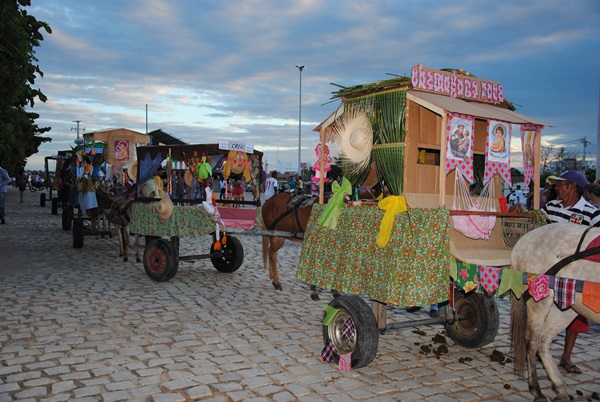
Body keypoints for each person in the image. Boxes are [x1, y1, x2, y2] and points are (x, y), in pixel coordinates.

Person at [543, 170, 600, 374]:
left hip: (576, 271)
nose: (556, 188)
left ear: (572, 186)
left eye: (560, 184)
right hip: (549, 267)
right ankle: (539, 350)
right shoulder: (550, 207)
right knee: (543, 310)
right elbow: (541, 231)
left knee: (575, 315)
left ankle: (566, 357)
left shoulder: (591, 213)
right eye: (557, 185)